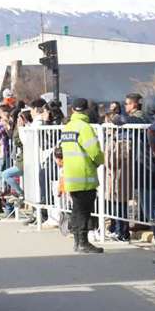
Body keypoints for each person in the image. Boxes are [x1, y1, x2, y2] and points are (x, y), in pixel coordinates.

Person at [60, 98, 105, 254]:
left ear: (72, 110)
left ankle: (78, 242)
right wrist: (101, 160)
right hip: (85, 175)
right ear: (86, 110)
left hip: (71, 176)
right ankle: (83, 243)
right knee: (84, 211)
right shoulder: (85, 128)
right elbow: (94, 152)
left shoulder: (67, 127)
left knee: (77, 209)